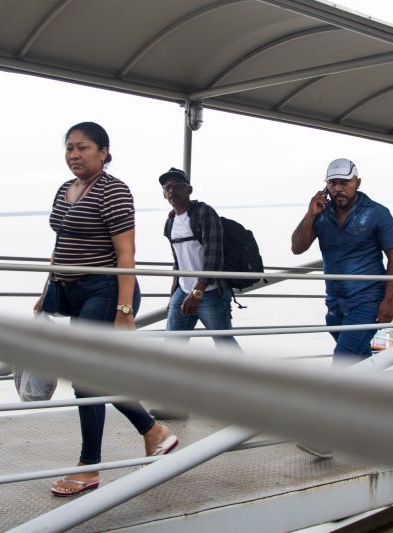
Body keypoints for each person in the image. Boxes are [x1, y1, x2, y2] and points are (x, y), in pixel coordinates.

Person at [33, 122, 178, 497]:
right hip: (70, 292)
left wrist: (125, 311)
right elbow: (60, 242)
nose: (74, 155)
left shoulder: (113, 191)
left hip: (107, 291)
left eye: (82, 148)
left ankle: (90, 467)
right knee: (89, 375)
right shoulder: (65, 190)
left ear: (104, 152)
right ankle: (152, 431)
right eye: (69, 148)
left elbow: (126, 254)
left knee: (84, 377)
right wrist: (45, 290)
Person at [149, 168, 241, 421]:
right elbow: (178, 261)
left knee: (225, 346)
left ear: (189, 189)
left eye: (177, 185)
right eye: (167, 188)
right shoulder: (170, 221)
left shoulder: (203, 213)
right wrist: (175, 294)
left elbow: (214, 255)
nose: (172, 191)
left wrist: (198, 290)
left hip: (209, 293)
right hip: (184, 292)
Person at [291, 158, 393, 366]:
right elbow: (297, 247)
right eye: (333, 183)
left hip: (367, 302)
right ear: (326, 186)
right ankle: (374, 397)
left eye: (345, 182)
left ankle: (330, 399)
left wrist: (389, 300)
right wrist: (310, 214)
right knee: (360, 361)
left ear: (358, 183)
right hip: (335, 304)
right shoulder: (321, 214)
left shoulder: (377, 213)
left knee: (342, 361)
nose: (338, 188)